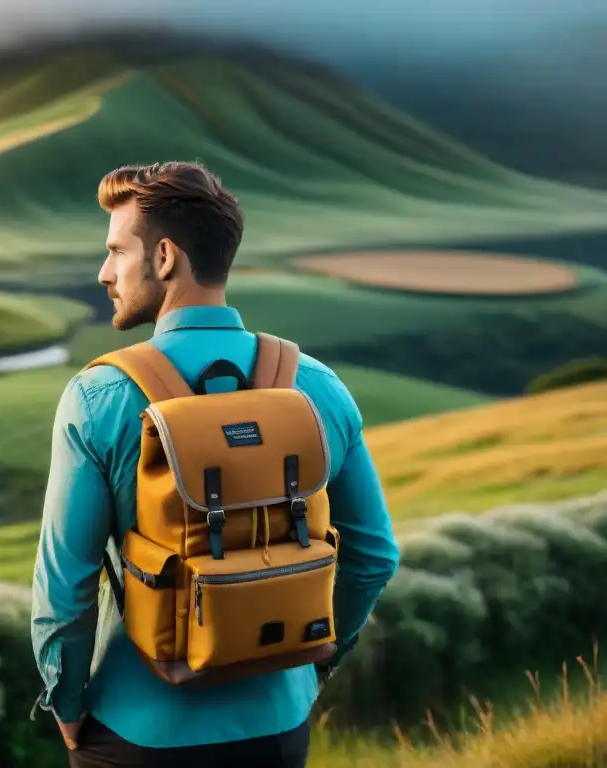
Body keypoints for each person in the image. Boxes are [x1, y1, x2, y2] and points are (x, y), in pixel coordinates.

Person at [30, 161, 400, 768]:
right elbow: (375, 555)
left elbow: (64, 586)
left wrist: (66, 705)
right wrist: (313, 660)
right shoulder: (318, 387)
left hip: (140, 727)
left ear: (166, 257)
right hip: (277, 725)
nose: (105, 273)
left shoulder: (98, 397)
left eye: (117, 251)